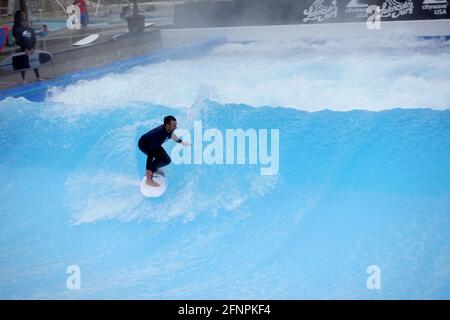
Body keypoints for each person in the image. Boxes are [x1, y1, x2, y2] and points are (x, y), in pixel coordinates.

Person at [138, 116, 190, 187]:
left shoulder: (168, 129)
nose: (175, 127)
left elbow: (171, 135)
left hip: (152, 143)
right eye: (174, 125)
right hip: (144, 145)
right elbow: (151, 154)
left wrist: (181, 142)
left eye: (175, 125)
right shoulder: (160, 135)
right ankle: (149, 179)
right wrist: (148, 171)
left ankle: (154, 168)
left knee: (167, 160)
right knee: (159, 158)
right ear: (167, 125)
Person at [12, 10, 42, 84]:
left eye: (25, 20)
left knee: (34, 61)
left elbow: (34, 39)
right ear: (19, 19)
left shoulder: (30, 29)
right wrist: (25, 49)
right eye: (22, 16)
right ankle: (23, 79)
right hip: (23, 49)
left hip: (31, 48)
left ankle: (38, 77)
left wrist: (32, 48)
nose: (24, 21)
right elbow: (18, 40)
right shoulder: (17, 29)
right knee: (23, 64)